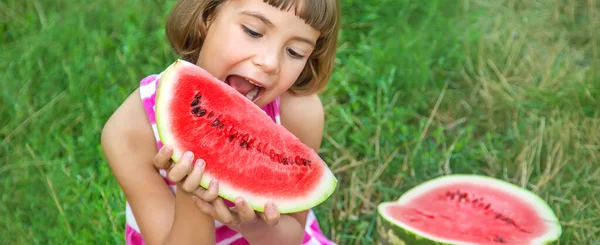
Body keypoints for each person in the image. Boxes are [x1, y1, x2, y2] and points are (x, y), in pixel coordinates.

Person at [101, 0, 340, 244]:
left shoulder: (299, 113)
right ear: (207, 16)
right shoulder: (130, 130)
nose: (270, 63)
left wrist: (251, 225)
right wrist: (192, 195)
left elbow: (293, 235)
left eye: (295, 52)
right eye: (253, 31)